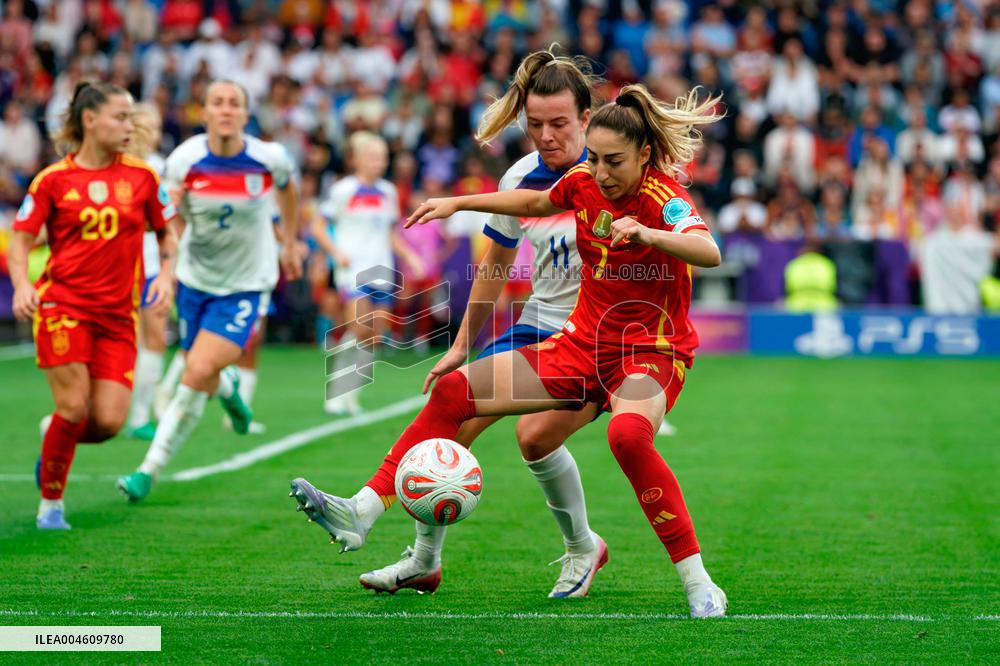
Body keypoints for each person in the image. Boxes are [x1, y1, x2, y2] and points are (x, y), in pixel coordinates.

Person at [289, 82, 729, 617]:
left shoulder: (664, 198)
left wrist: (650, 235)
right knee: (455, 393)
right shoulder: (582, 181)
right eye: (595, 158)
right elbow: (536, 202)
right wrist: (459, 203)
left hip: (650, 351)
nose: (600, 172)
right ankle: (362, 510)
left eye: (613, 161)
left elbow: (708, 250)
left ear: (643, 154)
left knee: (627, 436)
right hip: (580, 345)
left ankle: (698, 582)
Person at [344, 49, 612, 600]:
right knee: (454, 422)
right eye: (534, 124)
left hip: (600, 337)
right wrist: (461, 345)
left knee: (534, 436)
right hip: (540, 323)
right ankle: (423, 559)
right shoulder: (520, 177)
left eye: (560, 123)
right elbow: (494, 264)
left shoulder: (615, 166)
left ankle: (583, 547)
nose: (546, 136)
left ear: (587, 117)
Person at [117, 80, 302, 501]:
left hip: (245, 284)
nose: (226, 110)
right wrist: (172, 215)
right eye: (217, 103)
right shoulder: (185, 160)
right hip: (195, 281)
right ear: (204, 113)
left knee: (196, 371)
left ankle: (147, 470)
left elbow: (288, 190)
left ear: (245, 114)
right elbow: (167, 219)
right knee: (199, 368)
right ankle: (229, 389)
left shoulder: (267, 158)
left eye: (234, 103)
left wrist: (290, 242)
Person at [8, 82, 176, 529]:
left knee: (107, 422)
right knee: (73, 407)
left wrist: (167, 274)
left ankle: (54, 437)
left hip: (118, 316)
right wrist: (22, 285)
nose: (130, 126)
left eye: (131, 117)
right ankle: (51, 505)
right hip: (63, 307)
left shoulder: (143, 177)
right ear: (89, 120)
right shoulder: (52, 180)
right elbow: (20, 241)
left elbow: (167, 233)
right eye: (120, 117)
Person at [317, 131, 425, 416]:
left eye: (383, 158)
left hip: (382, 269)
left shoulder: (388, 192)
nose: (379, 162)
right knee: (358, 328)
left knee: (375, 336)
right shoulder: (343, 190)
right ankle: (336, 391)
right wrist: (335, 252)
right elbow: (318, 225)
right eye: (373, 157)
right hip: (353, 269)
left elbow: (391, 234)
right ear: (357, 159)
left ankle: (352, 395)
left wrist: (411, 257)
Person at [123, 102, 170, 441]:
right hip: (121, 267)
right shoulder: (118, 165)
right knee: (126, 340)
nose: (153, 134)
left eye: (156, 128)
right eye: (148, 127)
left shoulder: (160, 166)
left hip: (152, 265)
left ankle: (141, 415)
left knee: (154, 338)